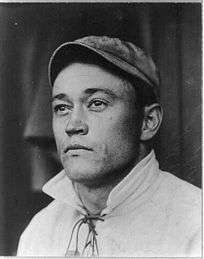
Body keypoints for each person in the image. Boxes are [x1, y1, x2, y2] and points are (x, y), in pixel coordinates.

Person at [17, 36, 201, 257]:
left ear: (148, 122)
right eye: (62, 107)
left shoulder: (194, 224)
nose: (73, 125)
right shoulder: (40, 231)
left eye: (97, 103)